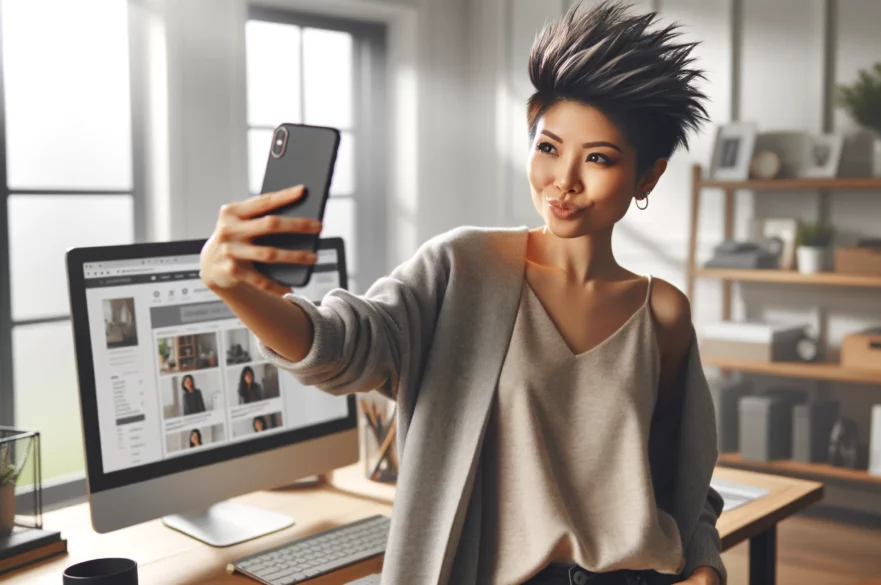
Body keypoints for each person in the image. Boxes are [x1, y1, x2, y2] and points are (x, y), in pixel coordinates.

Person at [199, 2, 724, 584]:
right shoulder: (464, 269)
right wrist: (236, 290)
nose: (564, 181)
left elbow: (686, 480)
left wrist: (703, 564)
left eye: (598, 159)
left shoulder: (662, 314)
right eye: (548, 147)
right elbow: (343, 348)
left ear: (647, 176)